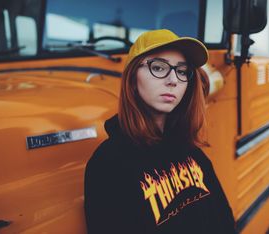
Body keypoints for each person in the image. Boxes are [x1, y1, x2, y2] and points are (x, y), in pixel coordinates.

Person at [84, 29, 237, 234]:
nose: (173, 80)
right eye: (158, 67)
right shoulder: (109, 163)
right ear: (132, 80)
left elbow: (224, 222)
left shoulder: (193, 154)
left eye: (182, 71)